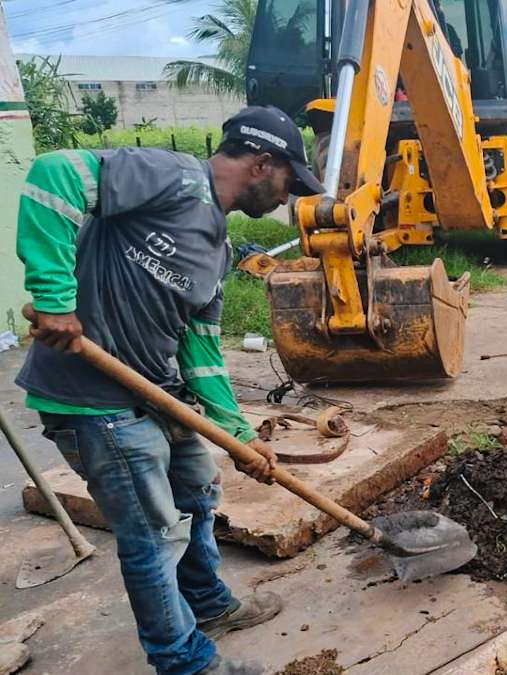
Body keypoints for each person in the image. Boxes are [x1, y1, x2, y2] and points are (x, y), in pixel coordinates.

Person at [16, 106, 325, 675]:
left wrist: (238, 435)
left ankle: (207, 604)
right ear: (261, 164)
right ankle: (184, 662)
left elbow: (201, 354)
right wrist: (55, 297)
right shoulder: (172, 176)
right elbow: (54, 173)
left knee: (198, 497)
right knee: (154, 535)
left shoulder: (218, 249)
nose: (288, 199)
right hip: (95, 401)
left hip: (157, 395)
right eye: (288, 182)